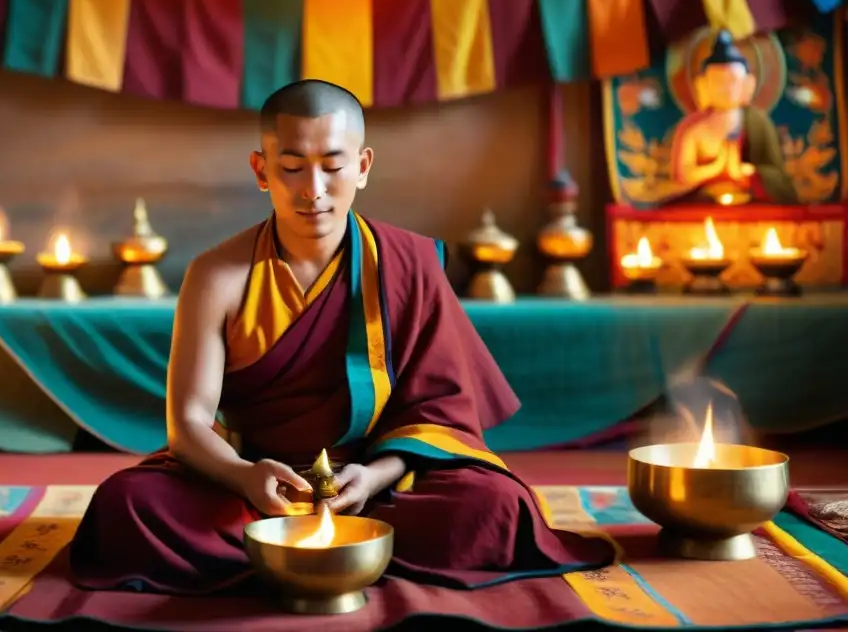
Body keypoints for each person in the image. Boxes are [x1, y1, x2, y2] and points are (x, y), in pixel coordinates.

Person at [68, 79, 615, 594]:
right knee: (126, 505)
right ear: (261, 170)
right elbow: (187, 424)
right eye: (291, 168)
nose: (314, 191)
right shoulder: (217, 275)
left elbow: (438, 413)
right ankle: (349, 555)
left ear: (363, 165)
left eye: (333, 166)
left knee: (495, 507)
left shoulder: (408, 265)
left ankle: (291, 555)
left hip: (377, 486)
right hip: (257, 485)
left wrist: (374, 476)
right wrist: (244, 477)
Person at [667, 29, 797, 206]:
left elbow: (777, 177)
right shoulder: (693, 130)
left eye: (733, 82)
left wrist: (748, 173)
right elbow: (681, 177)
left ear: (748, 85)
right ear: (703, 86)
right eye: (719, 82)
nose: (727, 89)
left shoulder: (757, 123)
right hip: (703, 204)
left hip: (751, 204)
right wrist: (716, 167)